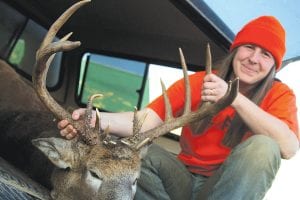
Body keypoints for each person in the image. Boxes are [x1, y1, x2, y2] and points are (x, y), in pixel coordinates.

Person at [58, 16, 299, 200]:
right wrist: (96, 121)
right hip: (180, 178)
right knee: (136, 150)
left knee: (264, 146)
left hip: (224, 186)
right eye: (249, 47)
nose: (254, 59)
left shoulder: (279, 95)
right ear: (236, 50)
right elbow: (147, 120)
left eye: (266, 54)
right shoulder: (199, 82)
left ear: (272, 66)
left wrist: (232, 97)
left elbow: (288, 147)